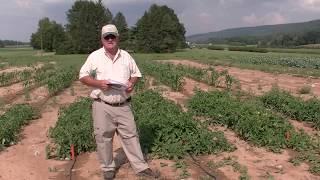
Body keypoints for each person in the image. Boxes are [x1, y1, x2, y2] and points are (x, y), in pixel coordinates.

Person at [79, 24, 155, 180]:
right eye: (107, 37)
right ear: (102, 39)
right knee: (103, 138)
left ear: (117, 38)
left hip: (123, 105)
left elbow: (136, 74)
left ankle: (140, 167)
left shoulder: (126, 56)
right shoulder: (95, 56)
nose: (110, 39)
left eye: (112, 36)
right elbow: (83, 76)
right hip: (102, 105)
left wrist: (132, 83)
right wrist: (99, 84)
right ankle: (107, 168)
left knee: (131, 136)